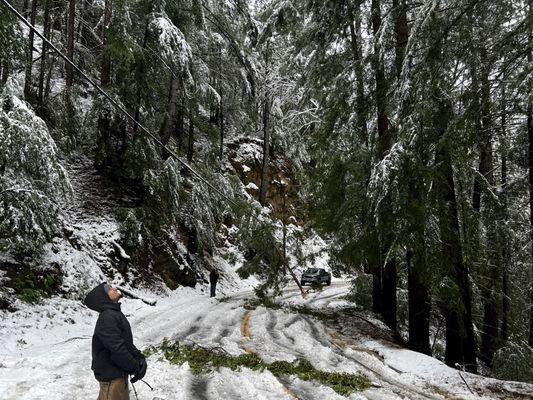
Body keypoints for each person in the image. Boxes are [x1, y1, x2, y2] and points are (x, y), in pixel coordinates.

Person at [84, 283, 147, 400]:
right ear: (103, 297)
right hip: (112, 378)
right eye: (109, 289)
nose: (114, 288)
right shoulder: (108, 317)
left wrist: (139, 357)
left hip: (118, 375)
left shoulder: (114, 313)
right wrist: (135, 367)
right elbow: (117, 349)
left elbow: (125, 343)